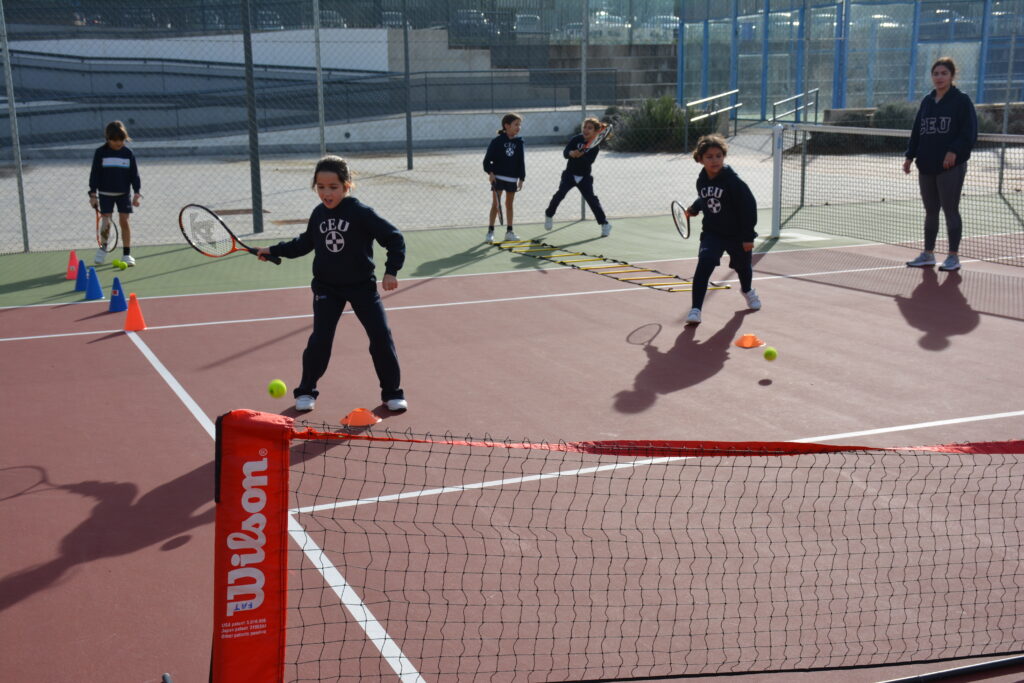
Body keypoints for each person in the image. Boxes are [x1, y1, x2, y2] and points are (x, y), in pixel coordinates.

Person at [256, 155, 407, 413]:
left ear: (347, 185)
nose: (326, 193)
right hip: (327, 288)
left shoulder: (361, 213)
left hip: (362, 286)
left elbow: (394, 238)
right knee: (320, 340)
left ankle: (392, 393)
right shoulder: (318, 214)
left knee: (381, 336)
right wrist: (272, 250)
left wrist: (391, 271)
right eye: (321, 187)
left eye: (333, 187)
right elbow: (304, 243)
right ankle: (306, 391)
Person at [903, 56, 978, 272]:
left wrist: (954, 151)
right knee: (930, 210)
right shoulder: (927, 101)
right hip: (926, 164)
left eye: (944, 73)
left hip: (950, 167)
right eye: (936, 74)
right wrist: (910, 156)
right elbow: (917, 131)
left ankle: (953, 257)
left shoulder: (961, 100)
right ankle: (928, 254)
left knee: (950, 209)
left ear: (952, 76)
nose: (939, 77)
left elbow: (969, 131)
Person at [683, 134, 761, 325]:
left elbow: (749, 208)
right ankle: (695, 309)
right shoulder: (701, 180)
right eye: (709, 157)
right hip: (713, 233)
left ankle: (747, 290)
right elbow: (705, 198)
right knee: (704, 265)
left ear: (724, 156)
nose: (715, 160)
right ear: (700, 159)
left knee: (743, 267)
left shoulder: (734, 182)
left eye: (718, 156)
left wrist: (748, 237)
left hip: (737, 235)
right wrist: (695, 208)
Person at [543, 117, 613, 238]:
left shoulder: (595, 147)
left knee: (592, 200)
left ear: (596, 132)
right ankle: (549, 215)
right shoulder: (576, 139)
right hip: (569, 174)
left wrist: (580, 154)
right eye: (584, 127)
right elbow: (565, 153)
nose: (586, 130)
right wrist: (571, 153)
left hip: (584, 177)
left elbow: (588, 162)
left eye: (590, 128)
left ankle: (605, 224)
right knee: (559, 195)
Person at [88, 120, 141, 266]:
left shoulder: (128, 153)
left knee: (124, 221)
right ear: (108, 138)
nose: (118, 143)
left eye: (122, 139)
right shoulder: (100, 153)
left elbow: (134, 175)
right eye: (115, 140)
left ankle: (127, 254)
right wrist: (93, 195)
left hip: (124, 194)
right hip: (105, 194)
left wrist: (137, 193)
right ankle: (103, 249)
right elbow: (94, 174)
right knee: (106, 222)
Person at [482, 112, 525, 243]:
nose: (518, 127)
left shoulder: (519, 142)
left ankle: (509, 232)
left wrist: (521, 178)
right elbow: (487, 161)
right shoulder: (496, 141)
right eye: (516, 124)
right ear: (506, 125)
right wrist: (490, 173)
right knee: (496, 205)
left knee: (509, 205)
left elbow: (521, 162)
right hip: (498, 178)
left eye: (519, 125)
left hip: (512, 179)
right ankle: (490, 232)